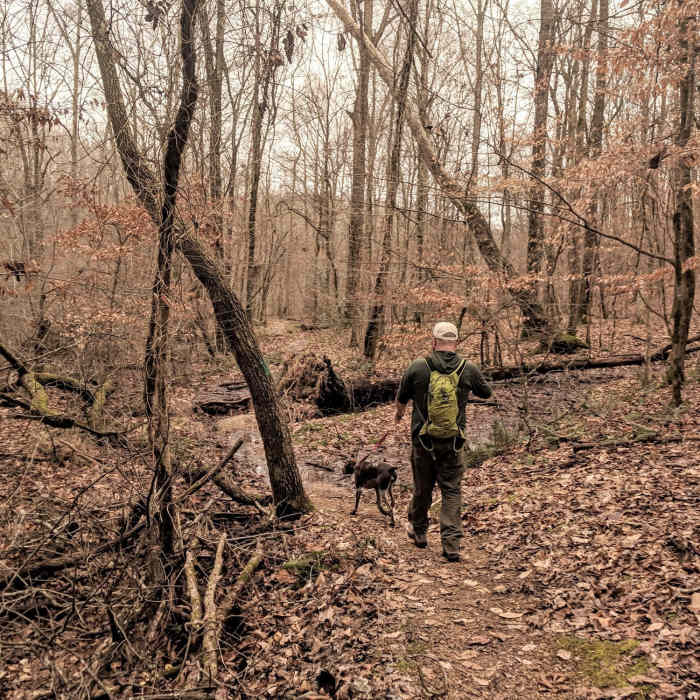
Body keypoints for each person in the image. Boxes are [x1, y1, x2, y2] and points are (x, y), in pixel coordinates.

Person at [395, 321, 492, 562]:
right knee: (451, 490)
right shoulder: (467, 368)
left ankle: (419, 532)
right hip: (453, 442)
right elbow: (486, 393)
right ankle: (451, 545)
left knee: (422, 488)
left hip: (422, 440)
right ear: (455, 342)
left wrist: (398, 415)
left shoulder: (418, 366)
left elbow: (401, 397)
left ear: (434, 341)